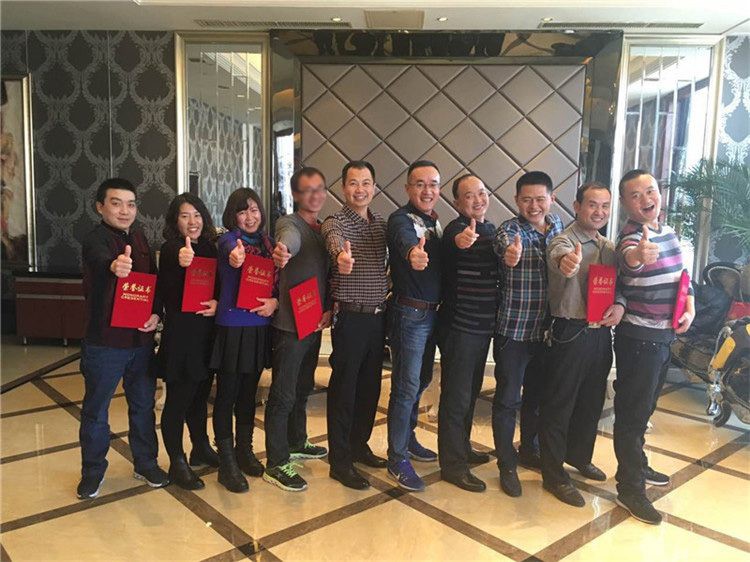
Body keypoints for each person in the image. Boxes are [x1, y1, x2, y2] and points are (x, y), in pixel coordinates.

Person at [613, 169, 695, 524]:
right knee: (632, 415)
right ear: (625, 203)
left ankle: (638, 465)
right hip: (638, 339)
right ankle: (630, 489)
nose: (646, 199)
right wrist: (639, 255)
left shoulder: (669, 232)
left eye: (650, 191)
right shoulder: (632, 237)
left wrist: (690, 306)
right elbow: (629, 259)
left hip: (663, 337)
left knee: (644, 411)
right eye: (636, 195)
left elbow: (683, 279)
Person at [77, 177, 168, 499]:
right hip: (104, 343)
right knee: (96, 410)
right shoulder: (95, 240)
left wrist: (156, 314)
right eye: (116, 203)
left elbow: (153, 282)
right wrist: (116, 266)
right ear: (100, 207)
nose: (124, 210)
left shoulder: (141, 238)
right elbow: (102, 261)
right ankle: (92, 472)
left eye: (130, 204)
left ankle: (146, 464)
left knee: (143, 406)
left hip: (140, 341)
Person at [539, 182, 625, 507]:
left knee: (591, 401)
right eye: (592, 204)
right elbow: (559, 258)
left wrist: (620, 305)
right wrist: (568, 263)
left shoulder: (609, 247)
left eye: (605, 206)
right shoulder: (563, 240)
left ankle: (579, 455)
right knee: (560, 404)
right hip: (570, 331)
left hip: (600, 334)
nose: (599, 212)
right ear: (576, 206)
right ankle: (553, 474)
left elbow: (621, 286)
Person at [492, 171, 563, 497]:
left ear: (551, 198)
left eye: (540, 199)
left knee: (536, 398)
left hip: (546, 332)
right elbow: (505, 248)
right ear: (516, 201)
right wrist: (512, 254)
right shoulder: (510, 230)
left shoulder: (558, 225)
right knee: (508, 400)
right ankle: (506, 464)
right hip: (514, 331)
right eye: (526, 200)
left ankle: (528, 449)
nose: (533, 206)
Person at [322, 161, 389, 490]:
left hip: (378, 317)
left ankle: (359, 445)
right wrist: (341, 258)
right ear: (343, 187)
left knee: (370, 388)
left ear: (374, 187)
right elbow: (334, 242)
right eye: (353, 183)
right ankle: (340, 460)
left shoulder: (381, 224)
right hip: (350, 318)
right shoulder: (335, 222)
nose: (359, 189)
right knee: (344, 390)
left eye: (365, 183)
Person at [264, 167, 330, 492]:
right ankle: (276, 462)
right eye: (307, 190)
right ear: (295, 194)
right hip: (290, 326)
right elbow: (287, 241)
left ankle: (296, 441)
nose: (314, 195)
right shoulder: (289, 224)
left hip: (313, 322)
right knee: (283, 394)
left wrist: (328, 308)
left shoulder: (324, 228)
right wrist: (283, 251)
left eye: (319, 189)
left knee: (303, 388)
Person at [210, 187, 278, 493]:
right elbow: (231, 253)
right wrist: (237, 258)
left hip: (258, 326)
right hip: (233, 325)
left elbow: (277, 281)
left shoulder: (267, 243)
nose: (249, 217)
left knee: (249, 394)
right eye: (242, 211)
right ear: (232, 215)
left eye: (254, 210)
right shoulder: (228, 240)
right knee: (227, 394)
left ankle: (244, 450)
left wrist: (275, 302)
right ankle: (226, 462)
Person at [437, 174, 498, 493]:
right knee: (456, 398)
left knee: (470, 394)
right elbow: (455, 242)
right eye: (469, 195)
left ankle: (462, 447)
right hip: (459, 328)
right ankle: (452, 465)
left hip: (482, 328)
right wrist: (462, 240)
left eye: (482, 192)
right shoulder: (456, 229)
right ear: (457, 202)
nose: (478, 199)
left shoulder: (491, 230)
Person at [155, 193, 219, 490]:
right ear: (175, 221)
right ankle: (177, 461)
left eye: (197, 215)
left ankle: (200, 447)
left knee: (199, 396)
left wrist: (217, 302)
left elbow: (217, 285)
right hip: (182, 337)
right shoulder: (172, 249)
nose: (192, 221)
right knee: (178, 402)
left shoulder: (210, 247)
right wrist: (183, 258)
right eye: (184, 216)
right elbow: (178, 260)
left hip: (206, 334)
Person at [386, 160, 443, 492]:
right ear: (408, 188)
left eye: (433, 184)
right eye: (419, 184)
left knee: (420, 380)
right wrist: (412, 254)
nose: (427, 190)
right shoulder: (401, 219)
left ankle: (407, 438)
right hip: (410, 314)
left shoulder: (435, 222)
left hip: (432, 315)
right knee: (405, 387)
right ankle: (396, 458)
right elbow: (405, 241)